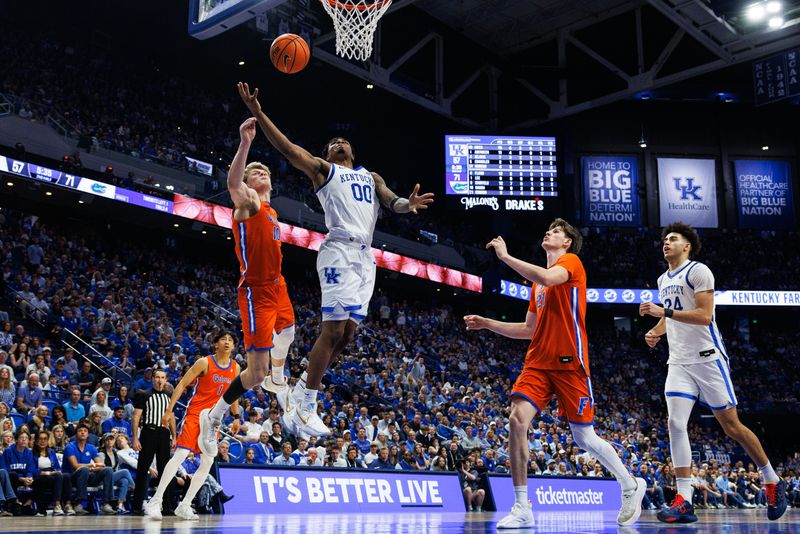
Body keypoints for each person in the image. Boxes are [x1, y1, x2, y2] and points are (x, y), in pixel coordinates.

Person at [219, 82, 433, 440]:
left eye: (342, 142)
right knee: (332, 330)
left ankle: (302, 389)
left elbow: (392, 201)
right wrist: (258, 112)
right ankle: (306, 406)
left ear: (352, 149)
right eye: (331, 144)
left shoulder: (371, 176)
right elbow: (287, 149)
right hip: (338, 250)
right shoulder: (323, 170)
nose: (338, 143)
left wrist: (407, 206)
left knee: (348, 333)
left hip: (366, 258)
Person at [464, 219, 645, 528]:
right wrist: (488, 323)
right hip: (538, 363)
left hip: (570, 362)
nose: (549, 232)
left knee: (583, 437)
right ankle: (522, 506)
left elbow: (549, 277)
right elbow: (528, 329)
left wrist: (506, 258)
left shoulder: (570, 263)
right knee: (516, 420)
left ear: (567, 243)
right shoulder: (538, 286)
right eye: (547, 229)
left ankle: (629, 484)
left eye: (557, 231)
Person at [640, 222, 788, 523]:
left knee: (731, 427)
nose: (666, 243)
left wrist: (662, 312)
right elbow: (673, 318)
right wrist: (656, 330)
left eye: (673, 239)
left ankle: (772, 479)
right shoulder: (661, 278)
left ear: (687, 246)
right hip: (679, 361)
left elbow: (704, 315)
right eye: (664, 239)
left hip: (708, 359)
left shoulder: (699, 271)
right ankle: (684, 500)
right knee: (675, 423)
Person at [202, 115, 297, 454]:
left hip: (277, 284)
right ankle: (212, 416)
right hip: (256, 292)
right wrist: (245, 143)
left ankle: (277, 376)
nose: (261, 173)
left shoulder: (271, 212)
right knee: (253, 375)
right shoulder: (250, 204)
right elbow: (232, 185)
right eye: (254, 172)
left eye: (264, 172)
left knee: (289, 333)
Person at [144, 331, 240, 521]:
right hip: (196, 414)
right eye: (223, 339)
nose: (227, 342)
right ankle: (155, 501)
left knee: (207, 462)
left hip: (214, 419)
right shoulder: (204, 362)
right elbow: (181, 385)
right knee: (180, 454)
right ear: (215, 344)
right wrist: (169, 410)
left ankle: (185, 504)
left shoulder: (235, 368)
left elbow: (233, 394)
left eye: (230, 340)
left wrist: (236, 416)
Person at [131, 369, 174, 515]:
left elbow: (172, 417)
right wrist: (135, 438)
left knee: (165, 471)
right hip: (148, 432)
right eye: (157, 377)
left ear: (166, 379)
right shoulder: (144, 394)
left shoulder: (169, 395)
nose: (160, 380)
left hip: (163, 433)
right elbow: (136, 417)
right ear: (153, 379)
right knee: (143, 470)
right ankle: (136, 507)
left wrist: (174, 436)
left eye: (163, 377)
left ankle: (167, 506)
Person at [62, 422, 116, 515]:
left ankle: (106, 503)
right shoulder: (70, 447)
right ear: (76, 434)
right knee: (84, 469)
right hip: (71, 477)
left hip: (87, 476)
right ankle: (78, 504)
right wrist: (91, 466)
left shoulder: (91, 447)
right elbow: (75, 466)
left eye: (85, 431)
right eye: (80, 431)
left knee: (108, 470)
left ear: (88, 434)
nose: (82, 432)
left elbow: (101, 464)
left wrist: (91, 467)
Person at [31, 430, 75, 516]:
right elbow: (32, 470)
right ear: (36, 441)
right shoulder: (31, 453)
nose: (43, 441)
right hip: (40, 477)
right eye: (40, 439)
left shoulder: (51, 452)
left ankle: (68, 504)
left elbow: (58, 467)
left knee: (66, 475)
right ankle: (57, 505)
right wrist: (47, 473)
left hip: (53, 475)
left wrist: (56, 471)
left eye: (45, 439)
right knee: (58, 476)